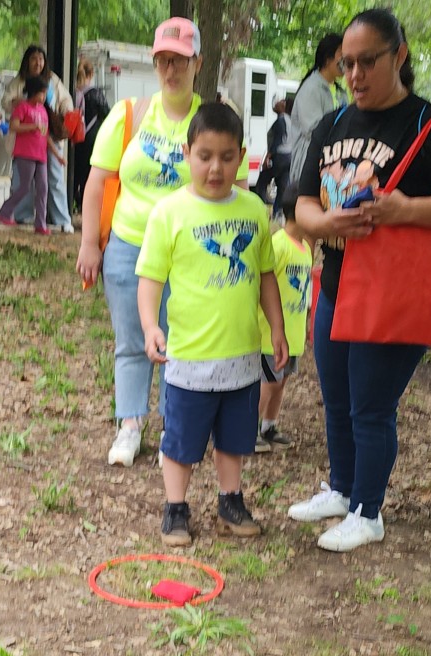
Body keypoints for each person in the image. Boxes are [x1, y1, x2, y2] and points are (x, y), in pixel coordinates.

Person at [288, 6, 431, 552]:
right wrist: (325, 223)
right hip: (337, 285)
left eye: (367, 62)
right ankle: (342, 488)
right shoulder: (333, 123)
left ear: (399, 55)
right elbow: (303, 204)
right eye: (346, 63)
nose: (354, 75)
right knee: (336, 399)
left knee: (370, 408)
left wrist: (406, 211)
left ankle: (367, 511)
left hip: (392, 292)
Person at [77, 18, 248, 469]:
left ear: (198, 64)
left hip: (191, 253)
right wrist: (90, 243)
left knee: (182, 343)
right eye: (163, 60)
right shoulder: (129, 114)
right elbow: (96, 182)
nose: (171, 70)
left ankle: (178, 429)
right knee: (132, 340)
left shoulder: (213, 119)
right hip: (129, 246)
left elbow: (238, 189)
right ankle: (130, 424)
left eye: (180, 61)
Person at [137, 102, 287, 547]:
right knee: (181, 439)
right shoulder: (170, 212)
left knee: (235, 438)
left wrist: (277, 328)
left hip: (241, 356)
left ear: (241, 156)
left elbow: (265, 275)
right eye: (204, 156)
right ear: (187, 154)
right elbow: (150, 279)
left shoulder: (254, 209)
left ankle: (230, 502)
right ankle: (175, 507)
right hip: (189, 357)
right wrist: (150, 326)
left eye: (225, 157)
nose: (215, 168)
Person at [256, 190, 312, 451]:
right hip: (271, 335)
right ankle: (248, 429)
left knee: (281, 381)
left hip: (294, 331)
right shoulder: (278, 245)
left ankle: (269, 425)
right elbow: (262, 282)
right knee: (269, 381)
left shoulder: (306, 249)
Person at [2, 46, 74, 232]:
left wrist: (67, 112)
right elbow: (6, 102)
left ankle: (61, 219)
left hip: (49, 134)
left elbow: (65, 99)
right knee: (24, 180)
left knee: (54, 178)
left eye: (41, 59)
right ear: (27, 61)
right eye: (34, 58)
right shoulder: (19, 81)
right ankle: (22, 215)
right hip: (25, 140)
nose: (38, 63)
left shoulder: (52, 80)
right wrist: (18, 102)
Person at [0, 76, 55, 234]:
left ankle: (40, 223)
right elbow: (14, 126)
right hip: (25, 153)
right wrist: (32, 127)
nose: (44, 97)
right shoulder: (23, 107)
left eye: (45, 93)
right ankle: (5, 211)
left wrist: (57, 155)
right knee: (25, 187)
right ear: (33, 92)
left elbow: (46, 135)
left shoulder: (43, 111)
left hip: (41, 155)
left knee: (43, 188)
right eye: (42, 93)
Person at [288, 33, 344, 187]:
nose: (345, 60)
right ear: (327, 58)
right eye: (341, 54)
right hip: (309, 168)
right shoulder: (311, 89)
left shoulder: (341, 92)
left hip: (331, 168)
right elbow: (314, 130)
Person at [73, 59, 111, 214]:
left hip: (75, 140)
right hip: (91, 140)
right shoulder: (95, 94)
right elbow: (107, 115)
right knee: (88, 175)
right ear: (91, 74)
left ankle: (71, 204)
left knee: (75, 173)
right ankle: (85, 207)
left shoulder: (73, 92)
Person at [255, 96, 292, 216]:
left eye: (281, 101)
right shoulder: (290, 120)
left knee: (262, 181)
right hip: (289, 156)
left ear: (285, 106)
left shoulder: (281, 121)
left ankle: (260, 207)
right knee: (282, 185)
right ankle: (278, 212)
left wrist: (268, 157)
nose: (277, 103)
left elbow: (277, 141)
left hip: (279, 156)